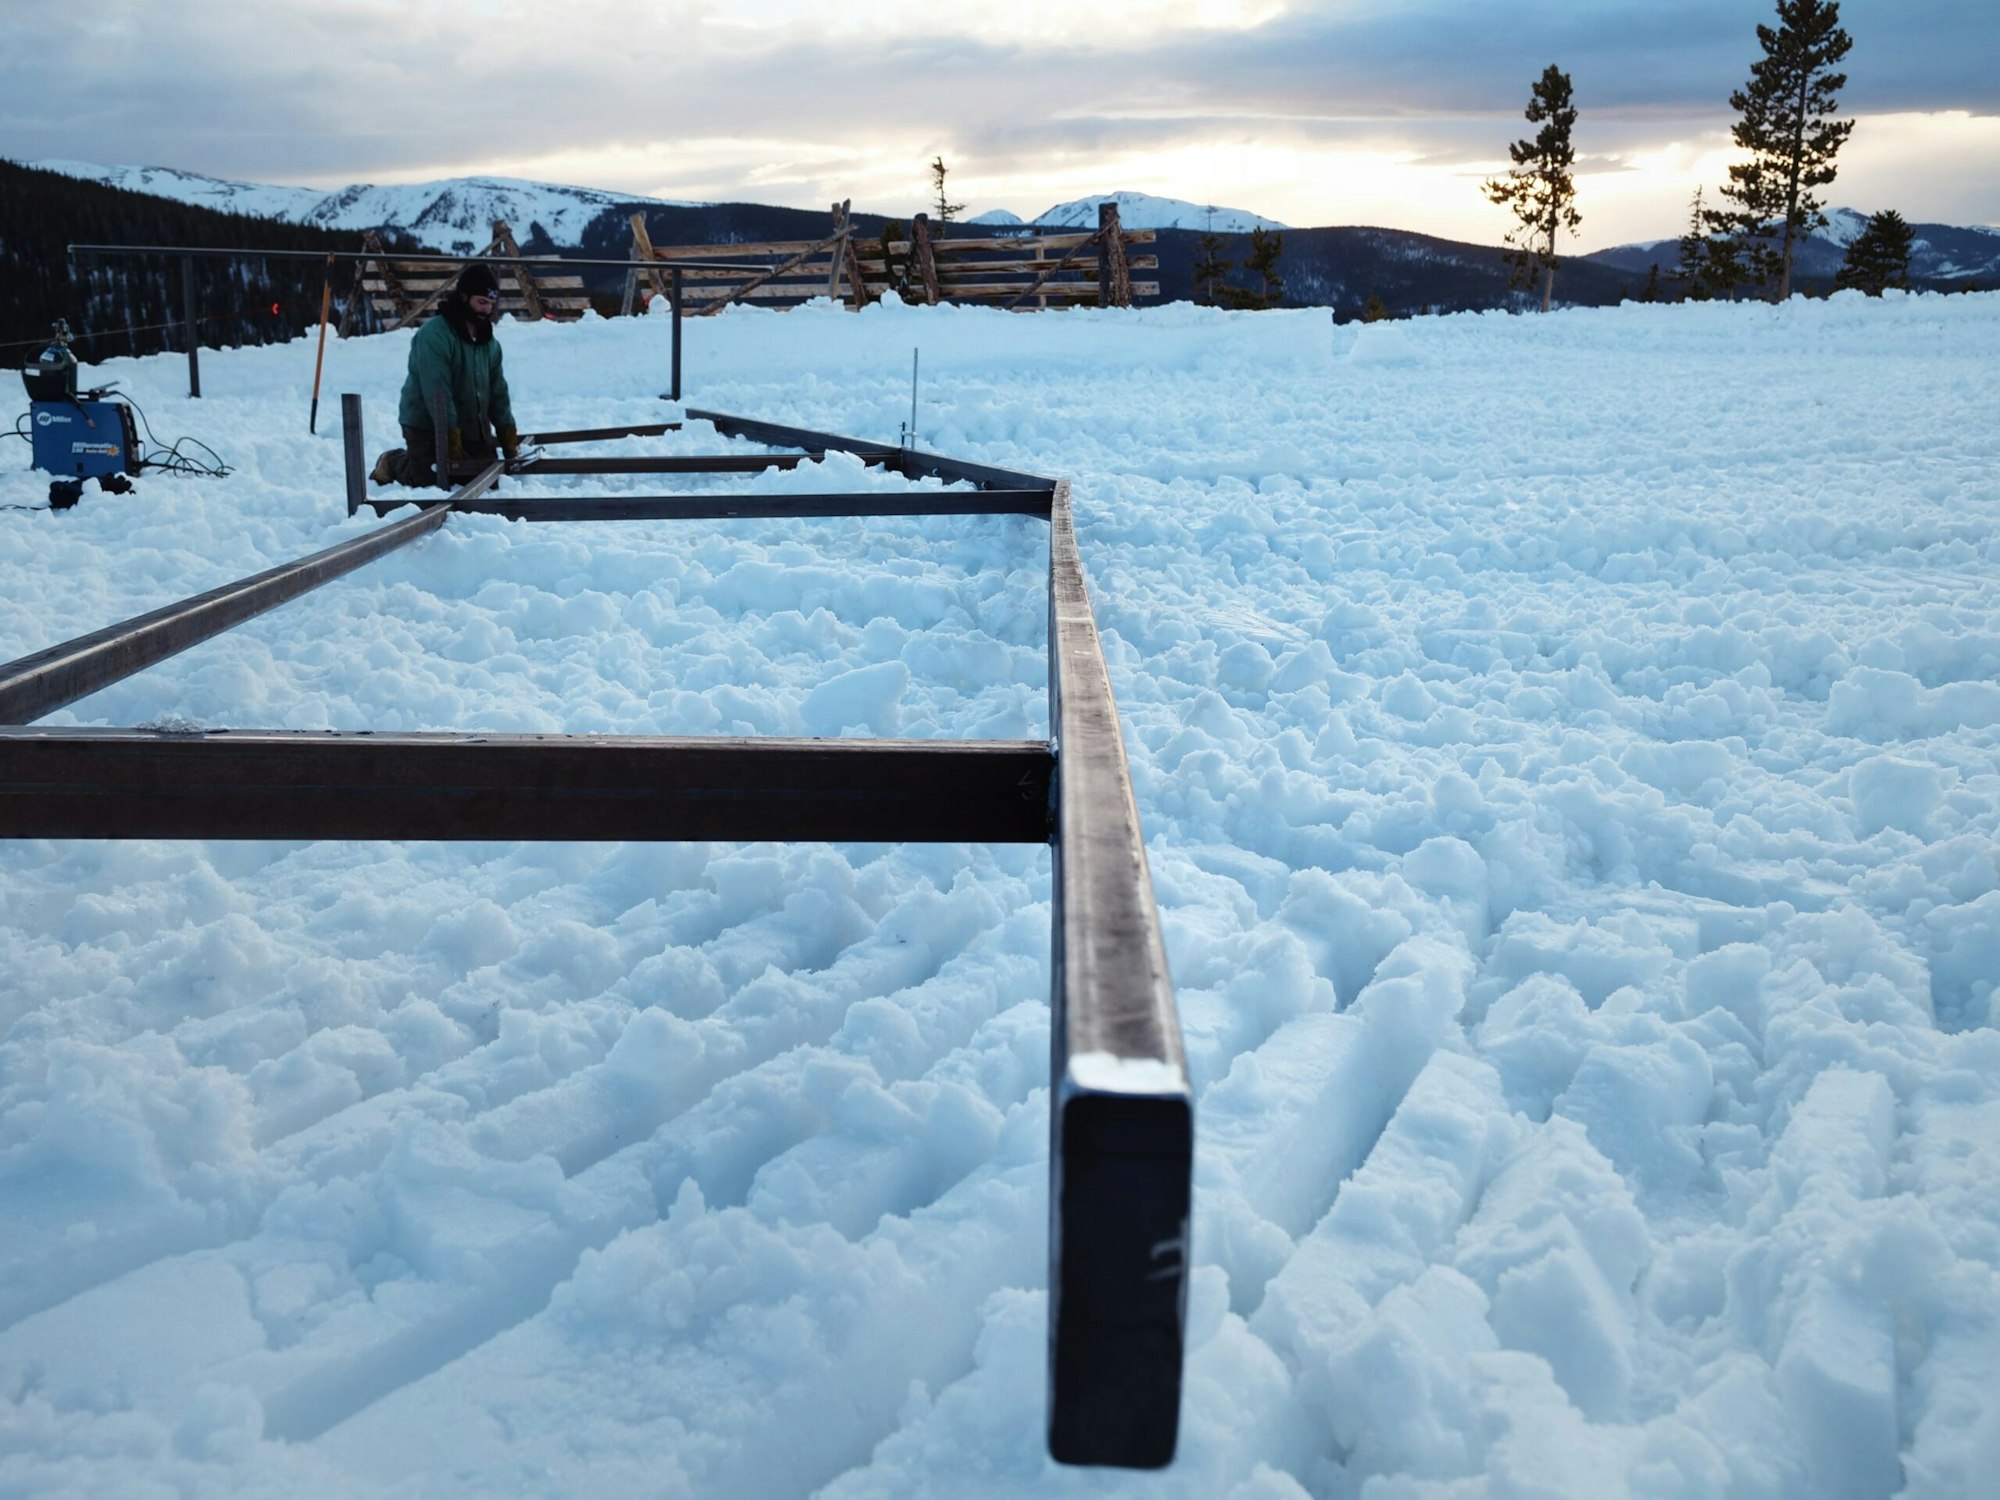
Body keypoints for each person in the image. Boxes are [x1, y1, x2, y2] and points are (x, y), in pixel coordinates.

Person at [370, 262, 521, 486]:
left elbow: (499, 393)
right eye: (481, 302)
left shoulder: (489, 344)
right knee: (432, 478)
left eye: (491, 304)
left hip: (469, 424)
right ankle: (393, 462)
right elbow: (437, 390)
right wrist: (450, 442)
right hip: (426, 424)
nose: (486, 310)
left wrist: (508, 438)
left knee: (487, 479)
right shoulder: (435, 336)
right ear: (463, 297)